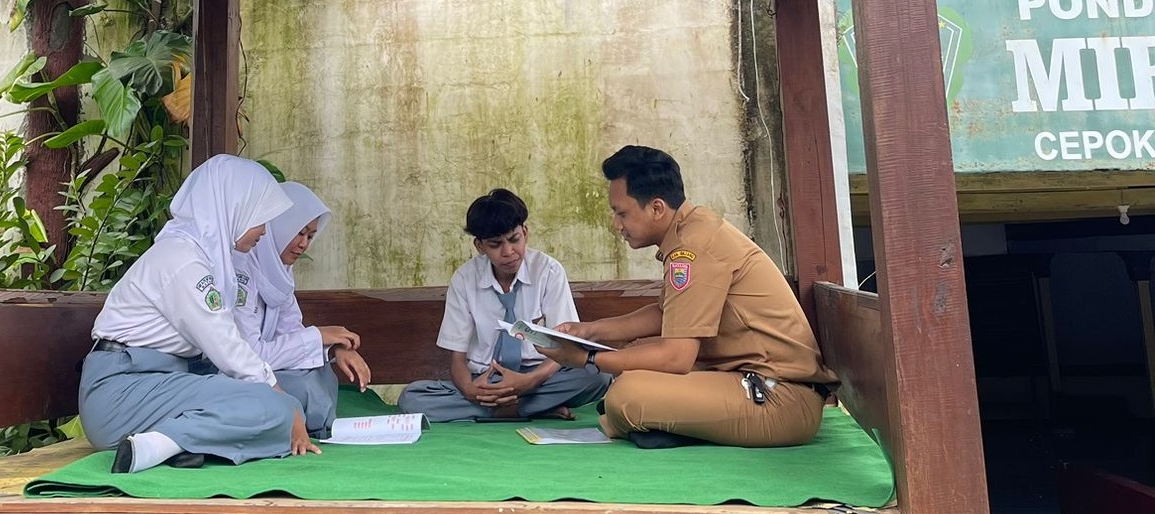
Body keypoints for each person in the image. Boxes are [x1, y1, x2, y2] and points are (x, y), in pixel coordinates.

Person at [537, 144, 838, 449]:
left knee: (626, 396)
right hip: (758, 384)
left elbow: (676, 357)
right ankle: (660, 424)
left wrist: (587, 359)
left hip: (778, 398)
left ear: (657, 208)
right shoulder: (693, 230)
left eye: (621, 213)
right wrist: (588, 331)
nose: (616, 225)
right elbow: (666, 313)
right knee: (635, 358)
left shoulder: (693, 249)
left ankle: (646, 422)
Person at [79, 154, 320, 473]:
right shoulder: (181, 259)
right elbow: (226, 346)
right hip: (121, 394)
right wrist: (283, 403)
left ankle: (173, 443)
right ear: (233, 207)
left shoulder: (207, 258)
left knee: (287, 398)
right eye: (260, 218)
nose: (264, 230)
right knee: (274, 407)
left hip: (163, 382)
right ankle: (156, 447)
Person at [398, 188, 609, 421]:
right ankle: (531, 409)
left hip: (538, 377)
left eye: (514, 239)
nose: (508, 252)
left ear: (525, 233)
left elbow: (566, 348)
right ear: (480, 246)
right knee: (412, 397)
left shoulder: (548, 271)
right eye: (495, 244)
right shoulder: (465, 279)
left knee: (598, 377)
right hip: (486, 378)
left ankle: (501, 410)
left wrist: (529, 381)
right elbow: (457, 358)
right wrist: (470, 390)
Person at [234, 180, 372, 438]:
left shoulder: (280, 273)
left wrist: (334, 348)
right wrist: (319, 336)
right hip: (237, 373)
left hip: (268, 366)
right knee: (305, 387)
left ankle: (301, 419)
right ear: (277, 226)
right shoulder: (240, 272)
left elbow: (291, 332)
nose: (303, 244)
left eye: (310, 236)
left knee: (321, 374)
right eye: (299, 232)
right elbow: (250, 355)